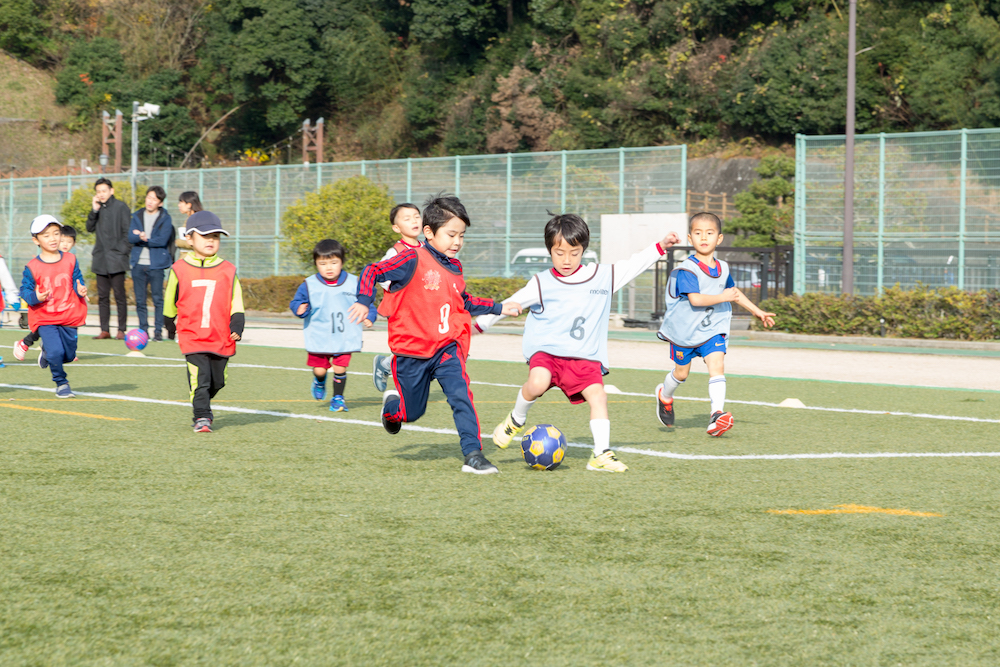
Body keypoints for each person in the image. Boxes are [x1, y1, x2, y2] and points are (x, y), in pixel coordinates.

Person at [477, 213, 680, 472]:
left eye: (574, 253)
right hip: (547, 352)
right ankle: (515, 419)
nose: (566, 259)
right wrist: (479, 324)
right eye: (559, 252)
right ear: (550, 250)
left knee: (598, 396)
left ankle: (601, 455)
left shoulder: (602, 276)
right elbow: (510, 303)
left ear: (583, 250)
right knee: (537, 384)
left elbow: (633, 265)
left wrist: (660, 246)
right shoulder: (542, 282)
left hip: (584, 356)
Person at [348, 194, 521, 475]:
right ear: (429, 232)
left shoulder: (455, 268)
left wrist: (501, 307)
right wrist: (363, 300)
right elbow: (372, 271)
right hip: (412, 352)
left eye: (462, 236)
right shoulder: (411, 258)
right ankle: (393, 406)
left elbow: (464, 301)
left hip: (446, 347)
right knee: (411, 413)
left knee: (461, 395)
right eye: (451, 234)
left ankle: (473, 455)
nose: (457, 242)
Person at [654, 212, 776, 436]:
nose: (704, 237)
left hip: (712, 330)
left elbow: (734, 293)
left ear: (719, 238)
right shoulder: (687, 270)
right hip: (684, 332)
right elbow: (696, 299)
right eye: (698, 233)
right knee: (681, 374)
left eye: (709, 233)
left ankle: (716, 415)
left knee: (717, 365)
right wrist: (725, 297)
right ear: (690, 239)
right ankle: (665, 395)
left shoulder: (724, 267)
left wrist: (758, 312)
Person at [163, 211, 245, 433]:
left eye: (215, 236)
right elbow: (171, 298)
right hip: (192, 336)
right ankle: (201, 416)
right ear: (189, 238)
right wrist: (169, 322)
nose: (211, 240)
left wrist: (237, 324)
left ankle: (203, 403)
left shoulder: (228, 270)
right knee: (201, 377)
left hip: (221, 336)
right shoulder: (179, 269)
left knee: (218, 380)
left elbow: (236, 300)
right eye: (205, 235)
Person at [289, 240, 376, 411]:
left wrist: (369, 315)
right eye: (323, 263)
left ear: (342, 262)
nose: (328, 268)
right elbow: (297, 301)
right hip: (319, 336)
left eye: (333, 263)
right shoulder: (309, 284)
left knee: (340, 367)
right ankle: (319, 381)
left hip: (344, 336)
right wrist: (299, 308)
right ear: (316, 264)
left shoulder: (354, 282)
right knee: (320, 370)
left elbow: (367, 302)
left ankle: (338, 398)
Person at [19, 215, 88, 398]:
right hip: (46, 318)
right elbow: (25, 291)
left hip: (68, 315)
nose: (53, 238)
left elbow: (76, 279)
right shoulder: (32, 267)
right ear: (36, 240)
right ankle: (61, 383)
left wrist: (80, 288)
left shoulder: (71, 259)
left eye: (56, 233)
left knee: (68, 354)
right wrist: (35, 296)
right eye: (46, 235)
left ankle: (47, 351)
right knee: (56, 352)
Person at [371, 202, 423, 393]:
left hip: (424, 311)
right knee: (411, 350)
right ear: (396, 227)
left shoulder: (428, 248)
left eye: (416, 216)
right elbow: (382, 276)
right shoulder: (395, 253)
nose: (414, 221)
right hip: (405, 312)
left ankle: (385, 364)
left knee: (422, 349)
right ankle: (400, 385)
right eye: (407, 218)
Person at [13, 225, 77, 361]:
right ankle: (26, 343)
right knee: (46, 326)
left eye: (69, 242)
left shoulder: (70, 260)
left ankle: (53, 348)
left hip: (63, 305)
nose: (65, 244)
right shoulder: (47, 259)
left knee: (66, 325)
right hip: (47, 304)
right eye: (63, 240)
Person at [86, 178, 131, 340]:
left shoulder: (121, 207)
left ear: (111, 191)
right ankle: (104, 330)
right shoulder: (98, 209)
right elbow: (89, 227)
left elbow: (128, 232)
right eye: (98, 191)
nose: (101, 194)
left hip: (117, 259)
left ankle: (121, 330)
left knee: (119, 295)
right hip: (100, 259)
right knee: (103, 296)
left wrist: (122, 251)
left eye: (104, 191)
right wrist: (94, 210)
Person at [129, 185, 175, 342]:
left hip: (157, 264)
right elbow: (130, 237)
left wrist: (144, 238)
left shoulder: (165, 218)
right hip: (138, 264)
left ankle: (157, 331)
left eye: (154, 199)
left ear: (160, 203)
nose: (150, 201)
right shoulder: (136, 216)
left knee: (157, 299)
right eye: (149, 197)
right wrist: (139, 237)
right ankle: (143, 331)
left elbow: (162, 241)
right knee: (140, 300)